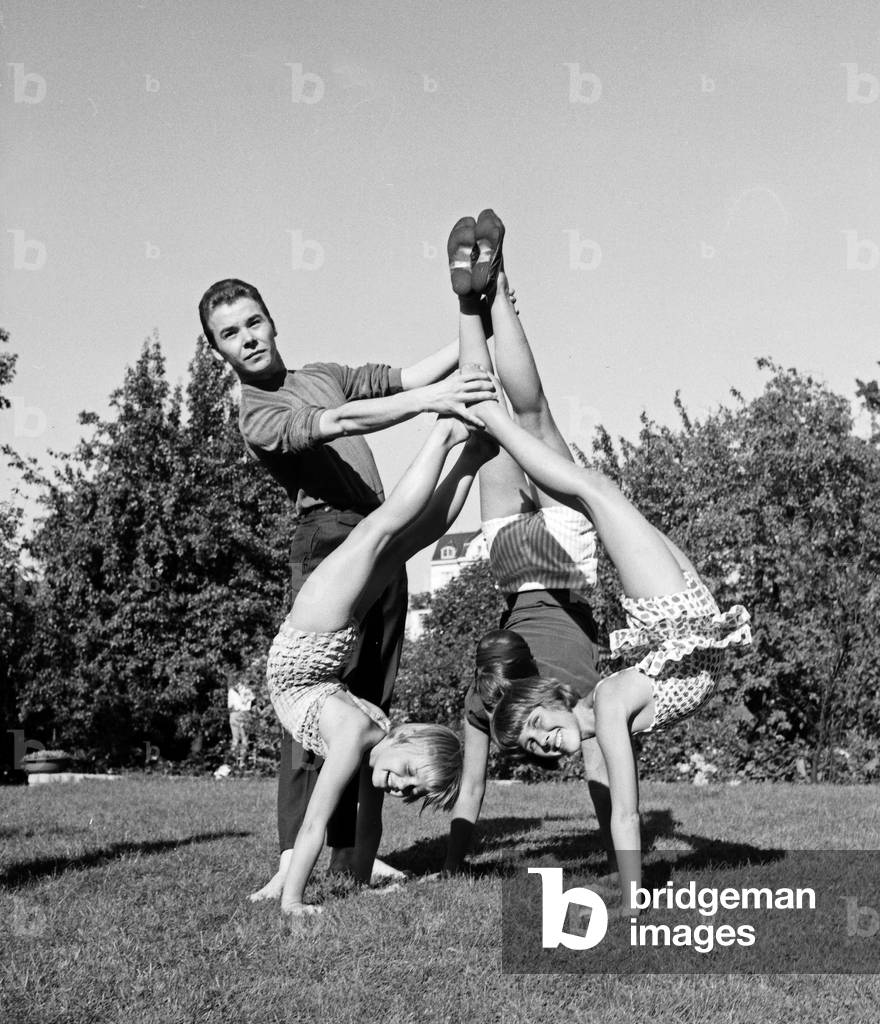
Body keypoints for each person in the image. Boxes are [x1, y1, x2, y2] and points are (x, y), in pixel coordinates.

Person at [198, 278, 495, 899]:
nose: (247, 339)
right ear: (218, 352)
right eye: (230, 335)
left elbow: (408, 376)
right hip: (329, 532)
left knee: (370, 703)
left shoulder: (325, 371)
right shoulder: (257, 409)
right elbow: (341, 420)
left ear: (272, 321)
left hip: (376, 520)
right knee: (322, 723)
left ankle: (355, 856)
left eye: (253, 323)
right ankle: (291, 857)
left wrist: (477, 322)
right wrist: (438, 407)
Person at [474, 283, 752, 914]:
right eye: (537, 746)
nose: (545, 742)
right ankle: (496, 308)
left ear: (553, 699)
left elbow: (624, 816)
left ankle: (497, 312)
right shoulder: (606, 713)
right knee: (570, 463)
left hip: (676, 618)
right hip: (680, 616)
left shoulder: (607, 707)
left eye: (540, 728)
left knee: (580, 475)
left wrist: (628, 900)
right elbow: (618, 805)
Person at [266, 414, 497, 914]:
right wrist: (293, 900)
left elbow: (370, 825)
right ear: (407, 738)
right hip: (310, 644)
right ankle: (445, 436)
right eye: (409, 773)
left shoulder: (379, 746)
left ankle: (474, 457)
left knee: (407, 540)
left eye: (411, 790)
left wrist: (363, 867)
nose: (400, 786)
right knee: (386, 529)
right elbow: (314, 823)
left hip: (323, 652)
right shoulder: (357, 739)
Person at [441, 211, 612, 874]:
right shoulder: (501, 696)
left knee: (519, 413)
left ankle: (478, 293)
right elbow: (477, 789)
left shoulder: (574, 705)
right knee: (507, 412)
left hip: (553, 562)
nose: (549, 750)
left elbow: (472, 789)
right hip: (513, 561)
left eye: (538, 752)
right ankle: (478, 296)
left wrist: (458, 862)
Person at [227, 680, 255, 767]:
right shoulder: (247, 690)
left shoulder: (231, 691)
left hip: (234, 714)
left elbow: (230, 705)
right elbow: (252, 700)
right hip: (243, 713)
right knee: (244, 739)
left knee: (235, 739)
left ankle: (232, 763)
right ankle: (241, 762)